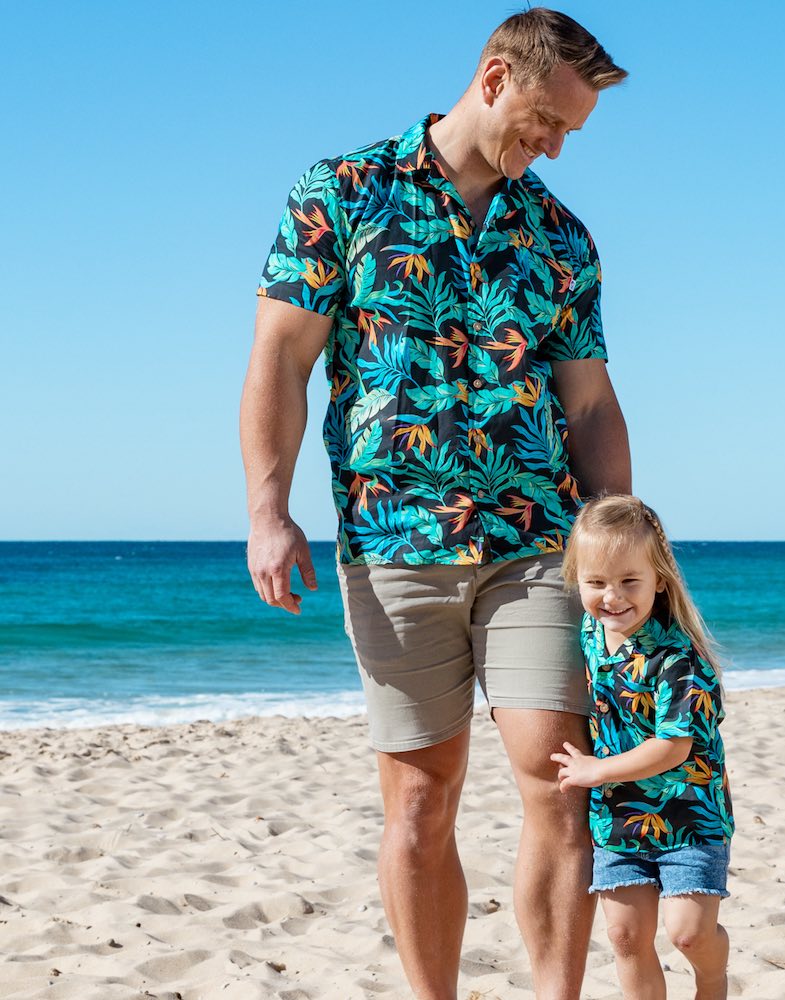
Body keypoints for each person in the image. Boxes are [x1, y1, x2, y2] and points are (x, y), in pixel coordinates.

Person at [240, 9, 629, 999]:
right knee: (421, 798)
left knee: (558, 780)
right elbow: (282, 359)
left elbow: (586, 399)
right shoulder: (341, 192)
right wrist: (268, 508)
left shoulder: (560, 239)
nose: (554, 146)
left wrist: (622, 537)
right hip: (390, 543)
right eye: (547, 120)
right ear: (493, 78)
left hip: (537, 541)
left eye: (571, 134)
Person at [553, 495, 734, 1000]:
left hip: (690, 815)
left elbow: (673, 748)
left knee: (687, 933)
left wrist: (597, 770)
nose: (612, 597)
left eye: (629, 581)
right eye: (596, 583)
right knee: (625, 936)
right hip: (618, 817)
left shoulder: (679, 660)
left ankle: (714, 980)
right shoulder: (592, 631)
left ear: (659, 579)